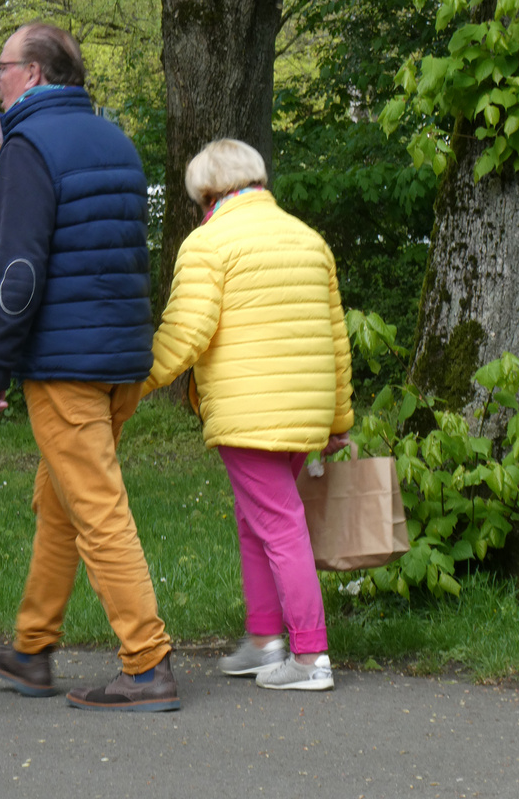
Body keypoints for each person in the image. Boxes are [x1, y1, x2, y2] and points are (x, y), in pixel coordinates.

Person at [0, 21, 178, 712]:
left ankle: (147, 663)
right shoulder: (114, 141)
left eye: (1, 67)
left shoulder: (28, 148)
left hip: (65, 366)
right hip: (121, 359)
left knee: (96, 510)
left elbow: (21, 270)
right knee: (60, 503)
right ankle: (33, 650)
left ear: (33, 73)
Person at [142, 138, 353, 692]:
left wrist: (132, 382)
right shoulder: (309, 240)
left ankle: (310, 658)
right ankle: (265, 642)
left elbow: (185, 333)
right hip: (302, 408)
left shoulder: (208, 243)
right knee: (258, 522)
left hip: (248, 409)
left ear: (206, 192)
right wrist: (339, 419)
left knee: (279, 527)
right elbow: (337, 338)